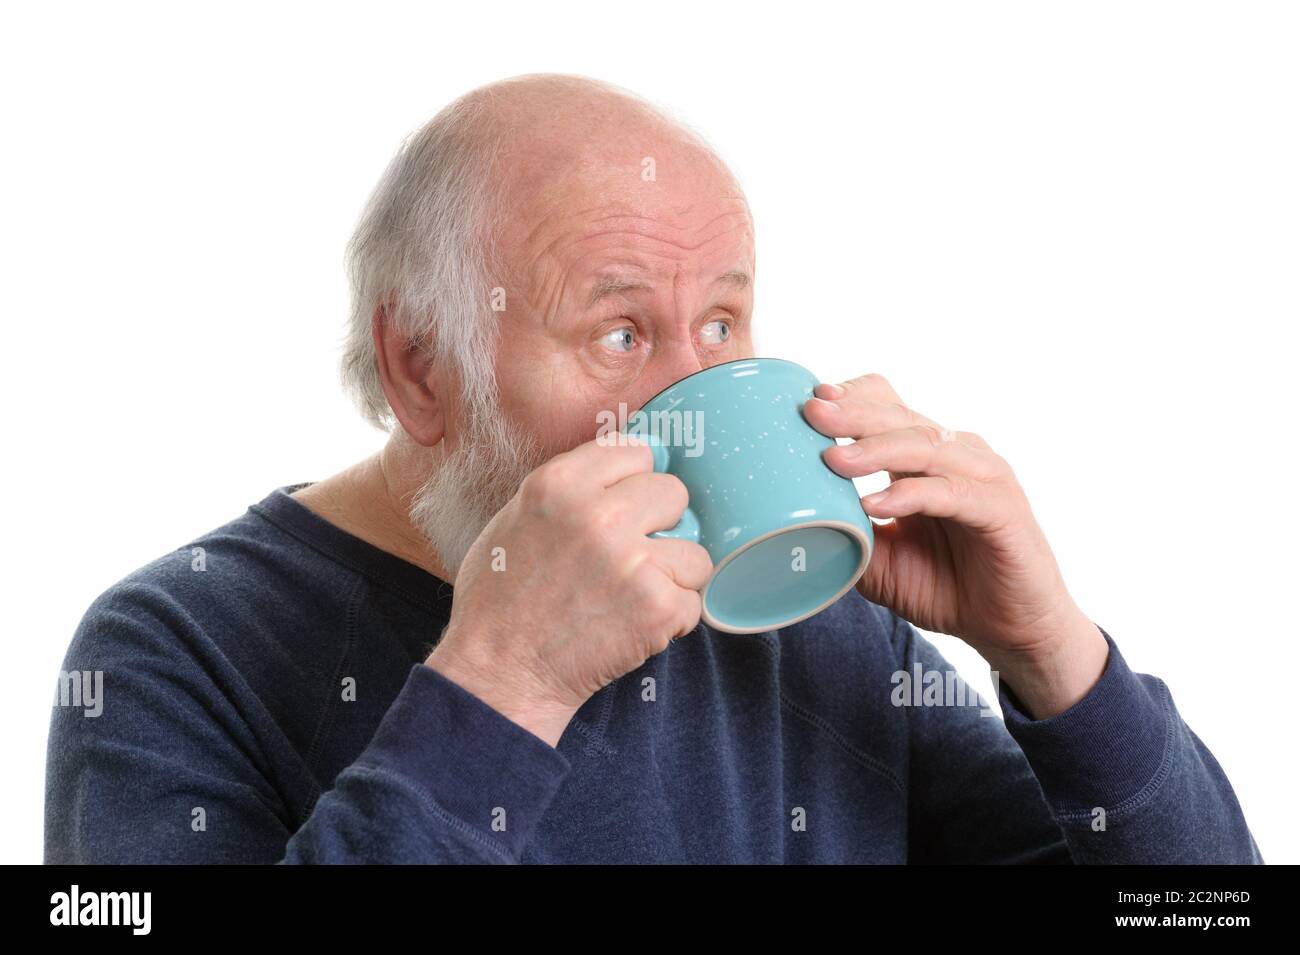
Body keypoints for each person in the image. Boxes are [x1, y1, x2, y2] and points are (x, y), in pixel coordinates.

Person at [45, 73, 1262, 864]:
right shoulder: (172, 646)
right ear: (421, 366)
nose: (692, 392)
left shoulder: (814, 624)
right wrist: (504, 685)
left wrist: (1051, 654)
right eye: (620, 333)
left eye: (724, 326)